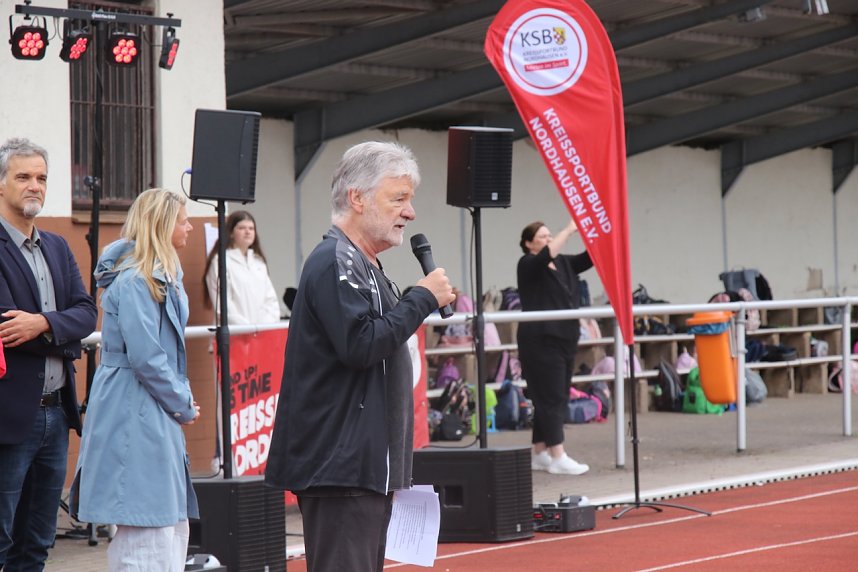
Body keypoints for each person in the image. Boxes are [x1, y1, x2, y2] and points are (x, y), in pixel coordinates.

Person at [265, 141, 454, 572]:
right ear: (357, 197)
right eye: (399, 199)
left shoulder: (363, 264)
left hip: (360, 468)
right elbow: (362, 344)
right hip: (340, 468)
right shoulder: (337, 261)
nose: (410, 212)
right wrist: (421, 297)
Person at [69, 188, 199, 572]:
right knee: (145, 524)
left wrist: (180, 400)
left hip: (148, 405)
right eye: (182, 220)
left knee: (165, 522)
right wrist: (183, 402)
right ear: (162, 226)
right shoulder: (135, 282)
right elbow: (147, 357)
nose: (189, 227)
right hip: (134, 407)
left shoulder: (157, 277)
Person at [0, 137, 98, 570]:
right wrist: (61, 329)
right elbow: (5, 326)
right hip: (8, 417)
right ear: (1, 184)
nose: (34, 186)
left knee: (37, 544)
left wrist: (41, 323)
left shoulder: (57, 246)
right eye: (23, 177)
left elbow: (87, 313)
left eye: (41, 178)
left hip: (56, 416)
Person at [517, 219, 593, 475]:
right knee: (552, 397)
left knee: (552, 395)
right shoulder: (528, 264)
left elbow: (591, 258)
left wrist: (596, 229)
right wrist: (569, 230)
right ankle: (557, 454)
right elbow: (546, 255)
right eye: (542, 236)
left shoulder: (563, 263)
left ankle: (539, 452)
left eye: (550, 235)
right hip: (540, 340)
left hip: (565, 338)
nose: (548, 240)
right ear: (529, 244)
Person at [203, 210, 281, 325]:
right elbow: (222, 303)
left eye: (251, 228)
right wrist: (246, 328)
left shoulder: (259, 262)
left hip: (261, 335)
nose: (247, 232)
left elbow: (271, 301)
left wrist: (263, 326)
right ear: (231, 233)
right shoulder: (220, 261)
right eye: (242, 228)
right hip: (235, 334)